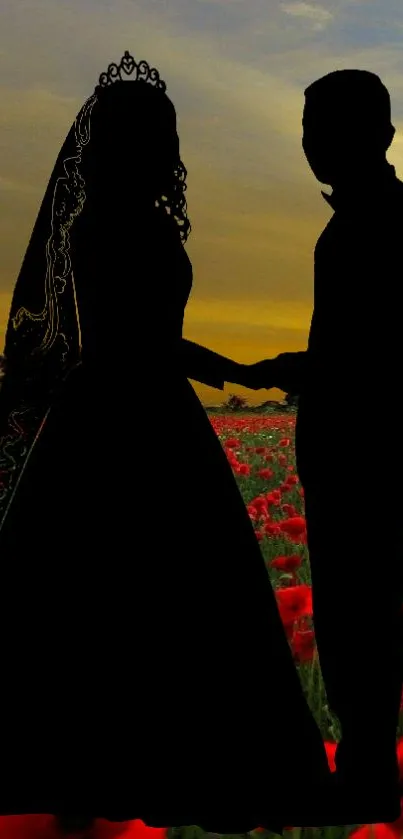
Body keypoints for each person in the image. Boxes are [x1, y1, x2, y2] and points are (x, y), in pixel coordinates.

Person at [0, 50, 335, 836]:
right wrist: (238, 367)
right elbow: (138, 340)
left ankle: (101, 775)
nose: (169, 149)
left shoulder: (107, 219)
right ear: (138, 141)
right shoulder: (110, 225)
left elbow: (159, 338)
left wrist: (231, 366)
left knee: (103, 603)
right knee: (148, 594)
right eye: (161, 134)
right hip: (134, 416)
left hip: (118, 413)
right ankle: (137, 772)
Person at [251, 69, 403, 825]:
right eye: (307, 129)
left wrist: (297, 371)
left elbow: (375, 354)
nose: (310, 144)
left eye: (324, 128)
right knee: (360, 622)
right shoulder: (363, 220)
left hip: (365, 461)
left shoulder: (375, 224)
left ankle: (370, 773)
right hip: (352, 455)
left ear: (378, 134)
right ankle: (369, 767)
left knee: (362, 620)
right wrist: (294, 368)